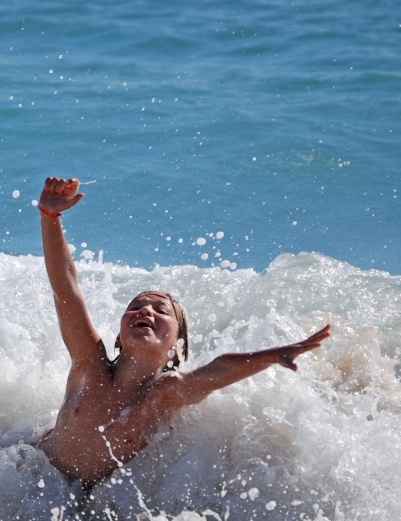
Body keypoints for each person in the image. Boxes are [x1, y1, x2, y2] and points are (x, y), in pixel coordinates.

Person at [35, 176, 330, 487]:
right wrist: (49, 215)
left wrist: (272, 356)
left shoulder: (161, 395)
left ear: (176, 348)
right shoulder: (89, 363)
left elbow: (215, 371)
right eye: (136, 306)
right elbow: (66, 289)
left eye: (161, 311)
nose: (146, 310)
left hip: (82, 503)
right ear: (119, 338)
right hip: (32, 475)